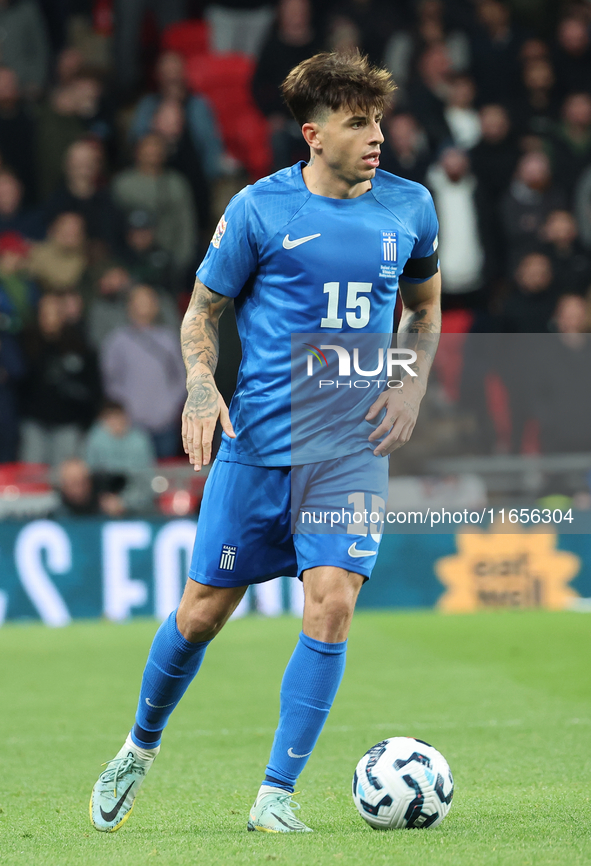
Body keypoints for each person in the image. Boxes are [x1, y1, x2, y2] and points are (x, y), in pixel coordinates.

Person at [89, 51, 441, 835]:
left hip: (348, 448)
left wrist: (410, 383)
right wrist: (202, 384)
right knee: (201, 614)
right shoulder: (258, 211)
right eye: (358, 124)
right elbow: (200, 312)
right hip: (258, 446)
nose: (376, 136)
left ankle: (274, 796)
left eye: (379, 120)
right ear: (314, 134)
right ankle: (139, 747)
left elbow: (422, 309)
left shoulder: (410, 208)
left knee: (332, 603)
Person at [100, 284, 186, 458]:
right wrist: (124, 410)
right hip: (130, 424)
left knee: (165, 477)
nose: (143, 305)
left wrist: (170, 406)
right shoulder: (117, 340)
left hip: (165, 422)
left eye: (148, 300)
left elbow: (183, 377)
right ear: (129, 305)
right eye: (138, 301)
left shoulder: (169, 339)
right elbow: (111, 379)